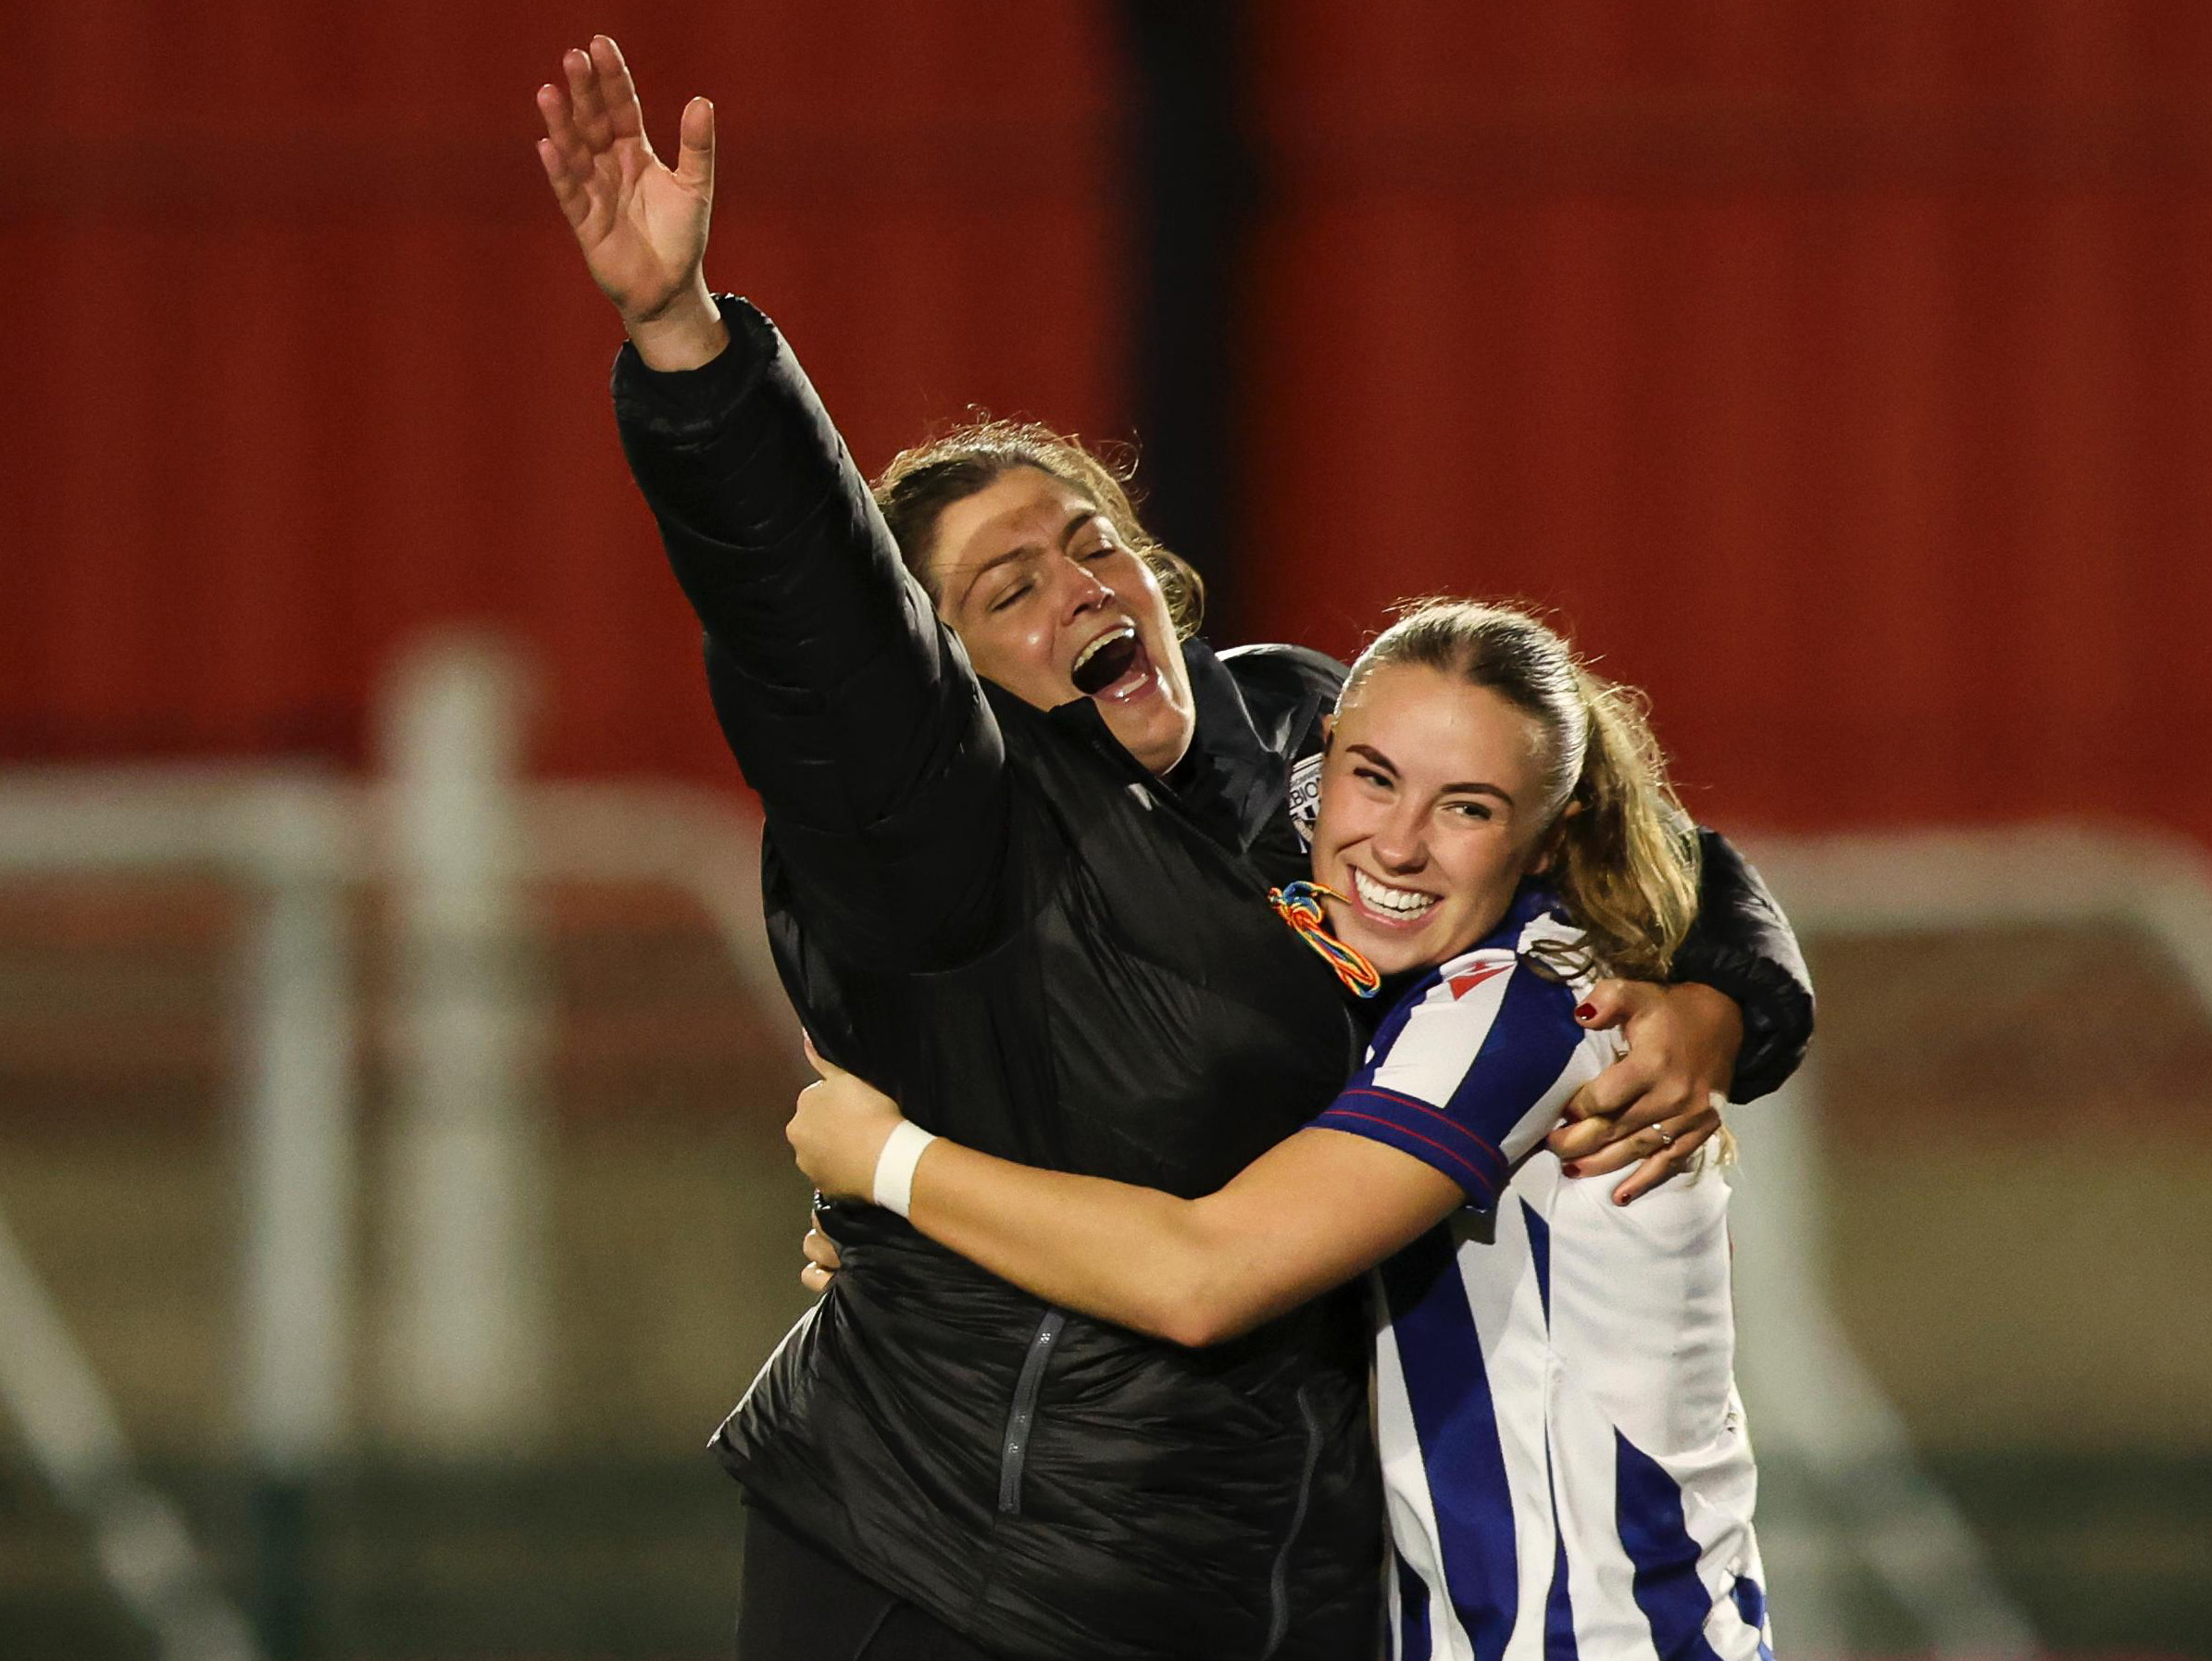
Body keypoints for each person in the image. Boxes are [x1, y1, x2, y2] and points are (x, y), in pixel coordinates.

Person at [536, 35, 1811, 1661]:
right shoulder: (949, 836)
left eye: (1092, 543)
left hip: (1270, 1578)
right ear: (943, 682)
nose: (1078, 587)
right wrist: (686, 345)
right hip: (965, 1557)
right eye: (1006, 590)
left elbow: (1592, 812)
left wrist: (1720, 1004)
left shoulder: (1293, 740)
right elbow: (812, 614)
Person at [790, 601, 1777, 1660]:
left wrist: (890, 1163)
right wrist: (926, 1256)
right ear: (1319, 770)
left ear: (1551, 839)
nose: (1396, 844)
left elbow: (1202, 1277)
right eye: (1374, 778)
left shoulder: (1526, 1009)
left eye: (1469, 809)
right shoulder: (1397, 982)